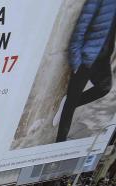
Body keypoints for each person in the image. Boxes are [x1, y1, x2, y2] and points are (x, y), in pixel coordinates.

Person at [54, 0, 116, 142]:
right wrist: (76, 62)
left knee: (104, 87)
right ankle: (60, 142)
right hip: (87, 58)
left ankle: (69, 104)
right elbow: (80, 29)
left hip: (103, 58)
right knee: (70, 104)